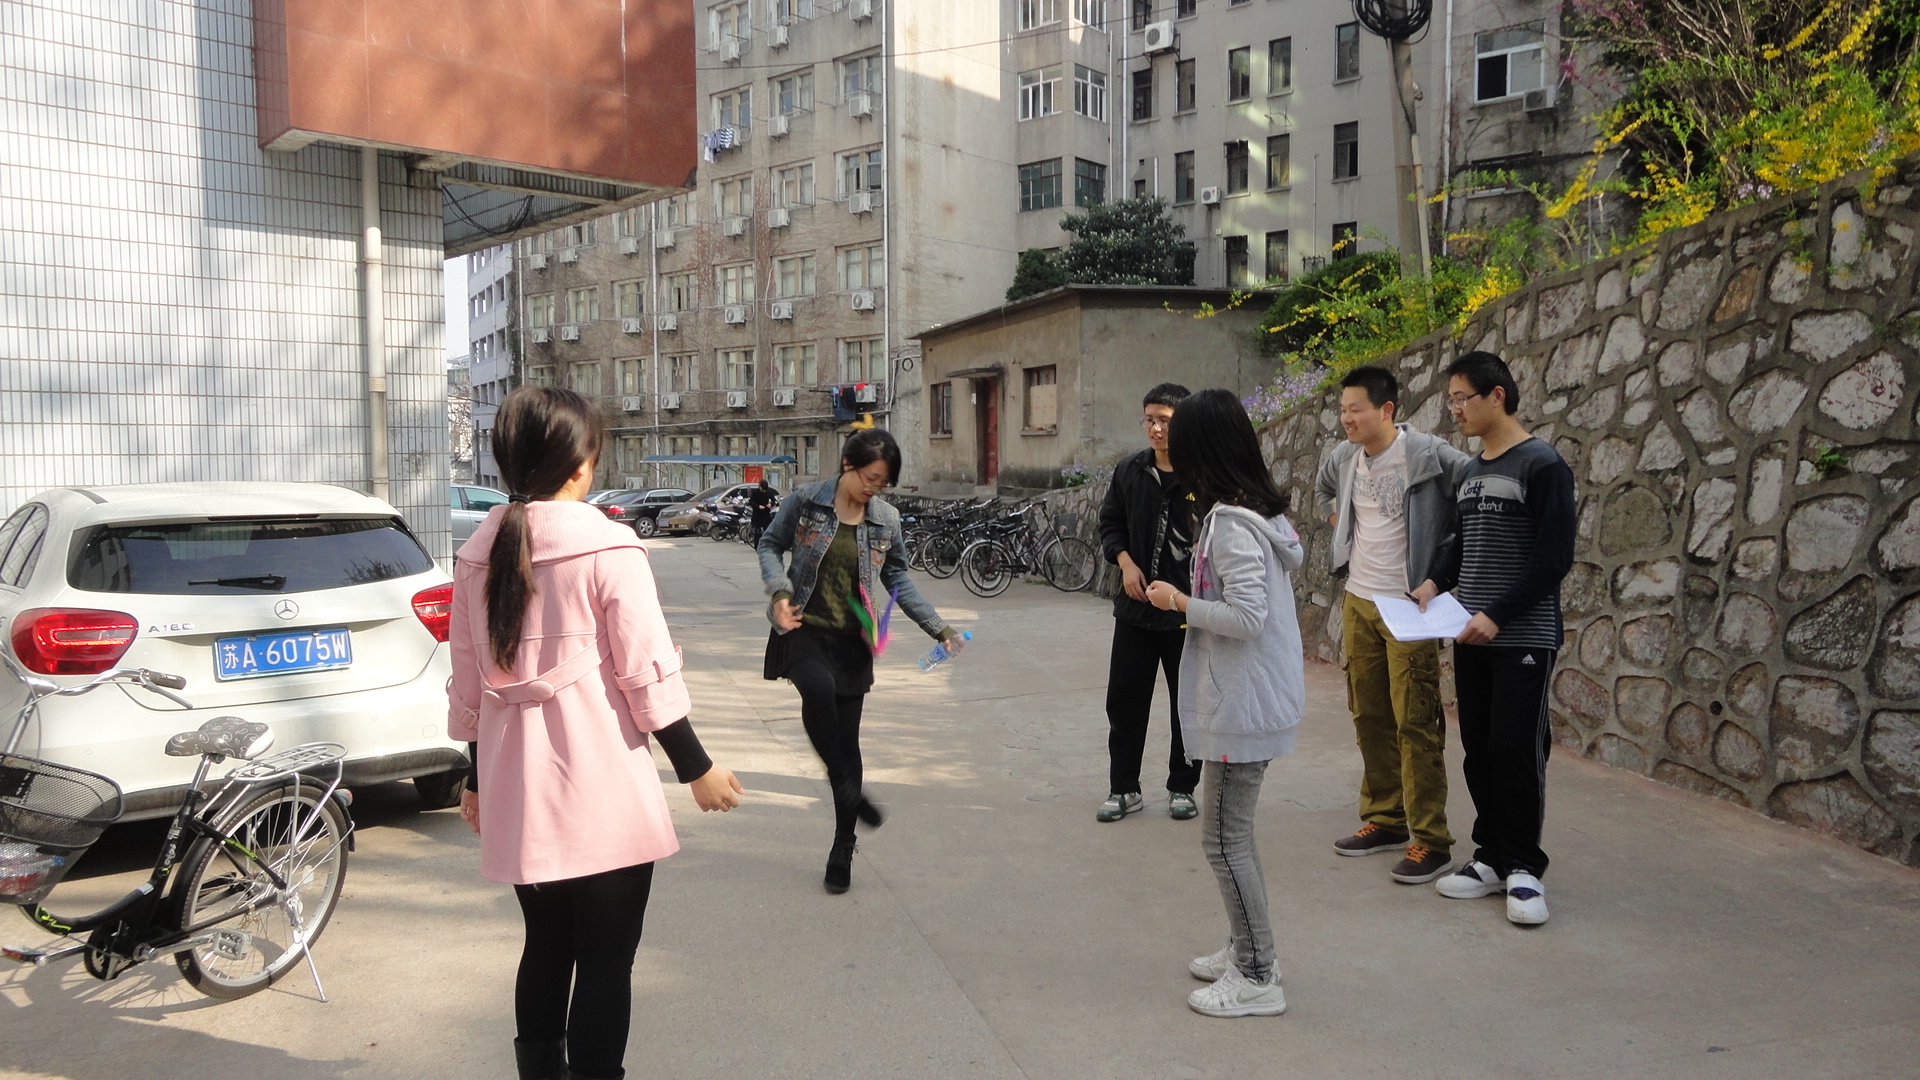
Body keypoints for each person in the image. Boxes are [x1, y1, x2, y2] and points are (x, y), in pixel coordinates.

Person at [448, 387, 744, 1080]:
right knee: (607, 962)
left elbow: (469, 690)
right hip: (602, 793)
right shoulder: (610, 546)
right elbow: (647, 675)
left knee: (546, 947)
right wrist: (697, 768)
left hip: (520, 792)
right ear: (582, 464)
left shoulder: (475, 554)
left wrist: (476, 781)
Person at [1144, 388, 1304, 1019]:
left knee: (1222, 840)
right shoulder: (1253, 511)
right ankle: (1247, 946)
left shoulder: (1234, 524)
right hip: (1249, 695)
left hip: (1244, 702)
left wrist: (1179, 602)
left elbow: (1247, 617)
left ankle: (1258, 974)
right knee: (1232, 837)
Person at [757, 428, 965, 894]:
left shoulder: (886, 519)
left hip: (852, 641)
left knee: (847, 745)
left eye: (883, 483)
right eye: (870, 478)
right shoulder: (806, 501)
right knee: (816, 691)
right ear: (848, 465)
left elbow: (898, 579)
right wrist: (779, 592)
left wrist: (939, 628)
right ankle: (850, 788)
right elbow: (770, 544)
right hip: (803, 627)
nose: (875, 489)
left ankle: (842, 843)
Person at [1421, 352, 1576, 926]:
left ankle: (1525, 867)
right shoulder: (1470, 471)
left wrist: (1499, 614)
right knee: (1480, 749)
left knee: (1517, 751)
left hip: (1522, 636)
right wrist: (1434, 583)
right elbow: (1461, 546)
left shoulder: (1543, 465)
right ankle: (1489, 857)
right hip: (1472, 634)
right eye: (1451, 400)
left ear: (1497, 396)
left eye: (1462, 398)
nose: (1455, 410)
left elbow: (1553, 558)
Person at [1314, 365, 1470, 885]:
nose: (1347, 419)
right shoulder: (1344, 457)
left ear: (1386, 409)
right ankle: (1385, 819)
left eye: (1355, 409)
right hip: (1359, 601)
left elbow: (1472, 497)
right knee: (1369, 714)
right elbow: (1323, 491)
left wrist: (1441, 568)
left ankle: (1431, 840)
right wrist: (1340, 528)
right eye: (1342, 410)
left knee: (1416, 721)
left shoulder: (1427, 455)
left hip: (1410, 609)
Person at [1095, 382, 1203, 822]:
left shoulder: (1202, 476)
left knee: (1187, 706)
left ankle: (1183, 787)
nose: (1156, 429)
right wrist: (1125, 563)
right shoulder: (1130, 470)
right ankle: (1124, 788)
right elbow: (1110, 523)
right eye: (1150, 420)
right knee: (1125, 703)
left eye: (1165, 421)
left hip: (1184, 614)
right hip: (1135, 612)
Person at [747, 478, 777, 542]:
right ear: (760, 487)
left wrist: (771, 504)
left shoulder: (768, 491)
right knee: (757, 532)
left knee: (767, 531)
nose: (764, 491)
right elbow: (751, 502)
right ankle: (757, 545)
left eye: (765, 490)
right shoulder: (755, 492)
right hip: (757, 514)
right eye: (763, 490)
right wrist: (758, 506)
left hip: (766, 514)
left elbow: (774, 500)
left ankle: (766, 543)